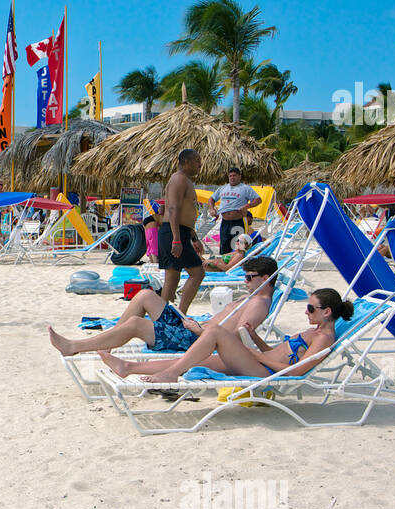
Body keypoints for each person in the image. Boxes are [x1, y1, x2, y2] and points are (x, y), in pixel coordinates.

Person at [100, 287, 353, 383]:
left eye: (311, 308)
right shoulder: (315, 331)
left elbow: (297, 371)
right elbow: (281, 353)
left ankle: (169, 374)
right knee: (194, 360)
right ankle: (129, 367)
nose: (306, 312)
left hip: (265, 372)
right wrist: (255, 340)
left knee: (215, 333)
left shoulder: (323, 339)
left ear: (327, 311)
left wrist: (257, 356)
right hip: (258, 361)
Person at [49, 256, 280, 358]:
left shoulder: (259, 303)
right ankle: (108, 344)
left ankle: (73, 346)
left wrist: (198, 330)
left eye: (250, 278)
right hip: (193, 329)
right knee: (144, 295)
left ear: (266, 278)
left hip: (197, 340)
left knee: (136, 325)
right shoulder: (252, 297)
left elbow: (234, 339)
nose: (245, 281)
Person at [159, 149, 206, 313]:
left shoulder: (185, 180)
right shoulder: (179, 179)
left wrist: (194, 237)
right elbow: (173, 209)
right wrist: (177, 239)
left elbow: (185, 212)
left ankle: (164, 317)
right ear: (186, 161)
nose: (200, 164)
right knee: (198, 273)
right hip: (174, 232)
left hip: (180, 231)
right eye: (197, 160)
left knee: (172, 279)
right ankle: (181, 313)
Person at [210, 166, 262, 249]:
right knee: (224, 246)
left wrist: (247, 206)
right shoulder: (223, 188)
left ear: (239, 177)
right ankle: (225, 261)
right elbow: (211, 199)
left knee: (239, 247)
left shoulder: (245, 188)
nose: (232, 178)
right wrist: (212, 209)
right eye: (230, 176)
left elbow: (258, 200)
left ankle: (238, 261)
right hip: (225, 221)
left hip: (239, 221)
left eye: (234, 175)